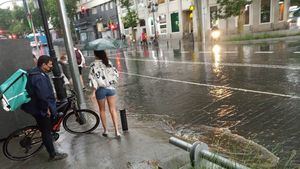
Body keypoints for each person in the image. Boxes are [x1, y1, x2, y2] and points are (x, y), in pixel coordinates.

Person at [21, 55, 68, 161]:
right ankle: (53, 154)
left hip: (34, 106)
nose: (51, 66)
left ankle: (46, 138)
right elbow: (42, 95)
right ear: (43, 64)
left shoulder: (36, 72)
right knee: (46, 131)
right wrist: (46, 109)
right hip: (39, 108)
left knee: (44, 128)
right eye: (50, 64)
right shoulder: (39, 76)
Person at [88, 50, 120, 138]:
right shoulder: (108, 62)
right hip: (111, 88)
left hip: (100, 90)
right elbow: (115, 74)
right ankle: (117, 131)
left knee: (102, 110)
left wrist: (93, 92)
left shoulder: (93, 65)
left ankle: (106, 130)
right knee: (113, 110)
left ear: (95, 54)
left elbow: (92, 79)